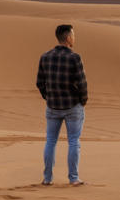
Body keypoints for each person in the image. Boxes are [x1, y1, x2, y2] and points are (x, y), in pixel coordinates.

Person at [36, 24, 88, 186]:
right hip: (72, 106)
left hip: (53, 106)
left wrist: (49, 97)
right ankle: (73, 178)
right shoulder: (74, 58)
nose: (74, 38)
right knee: (73, 141)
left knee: (50, 141)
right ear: (67, 38)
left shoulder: (45, 56)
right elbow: (82, 84)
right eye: (73, 36)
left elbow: (39, 83)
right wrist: (82, 101)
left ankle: (47, 178)